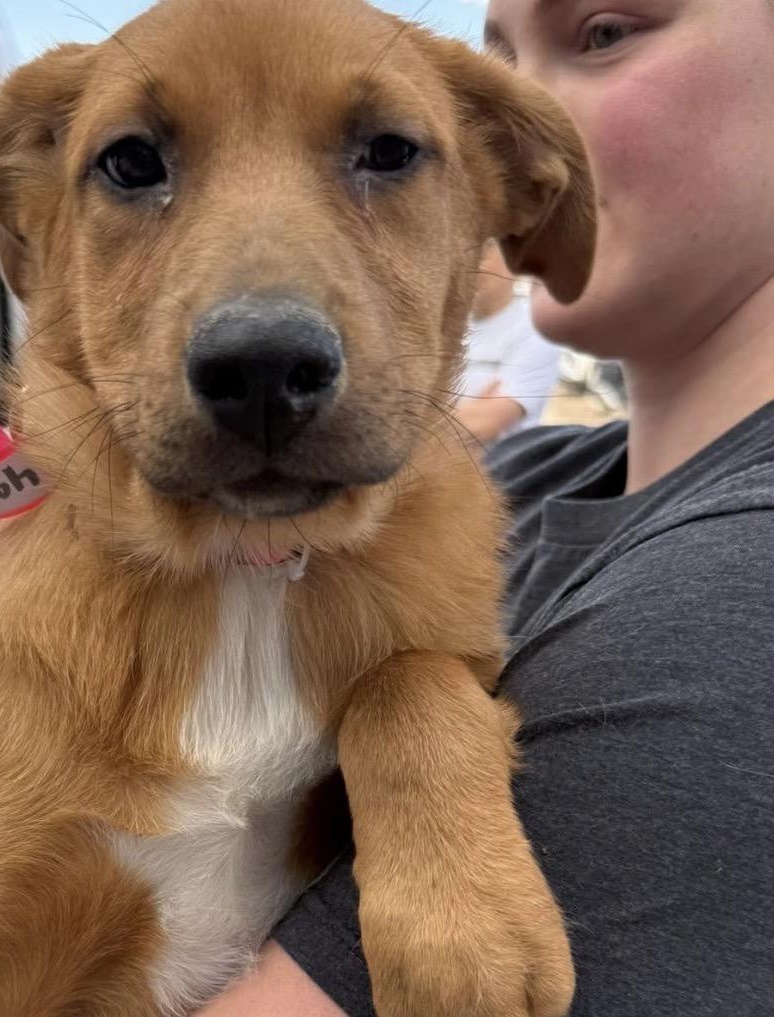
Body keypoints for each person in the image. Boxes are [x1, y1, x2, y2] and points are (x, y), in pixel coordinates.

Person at [199, 0, 774, 1014]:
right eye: (495, 52)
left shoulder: (734, 603)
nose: (502, 107)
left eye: (604, 32)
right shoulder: (527, 478)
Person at [456, 241, 561, 443]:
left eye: (485, 249)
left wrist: (433, 417)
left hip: (503, 470)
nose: (471, 262)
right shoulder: (448, 326)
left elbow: (480, 427)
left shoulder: (536, 330)